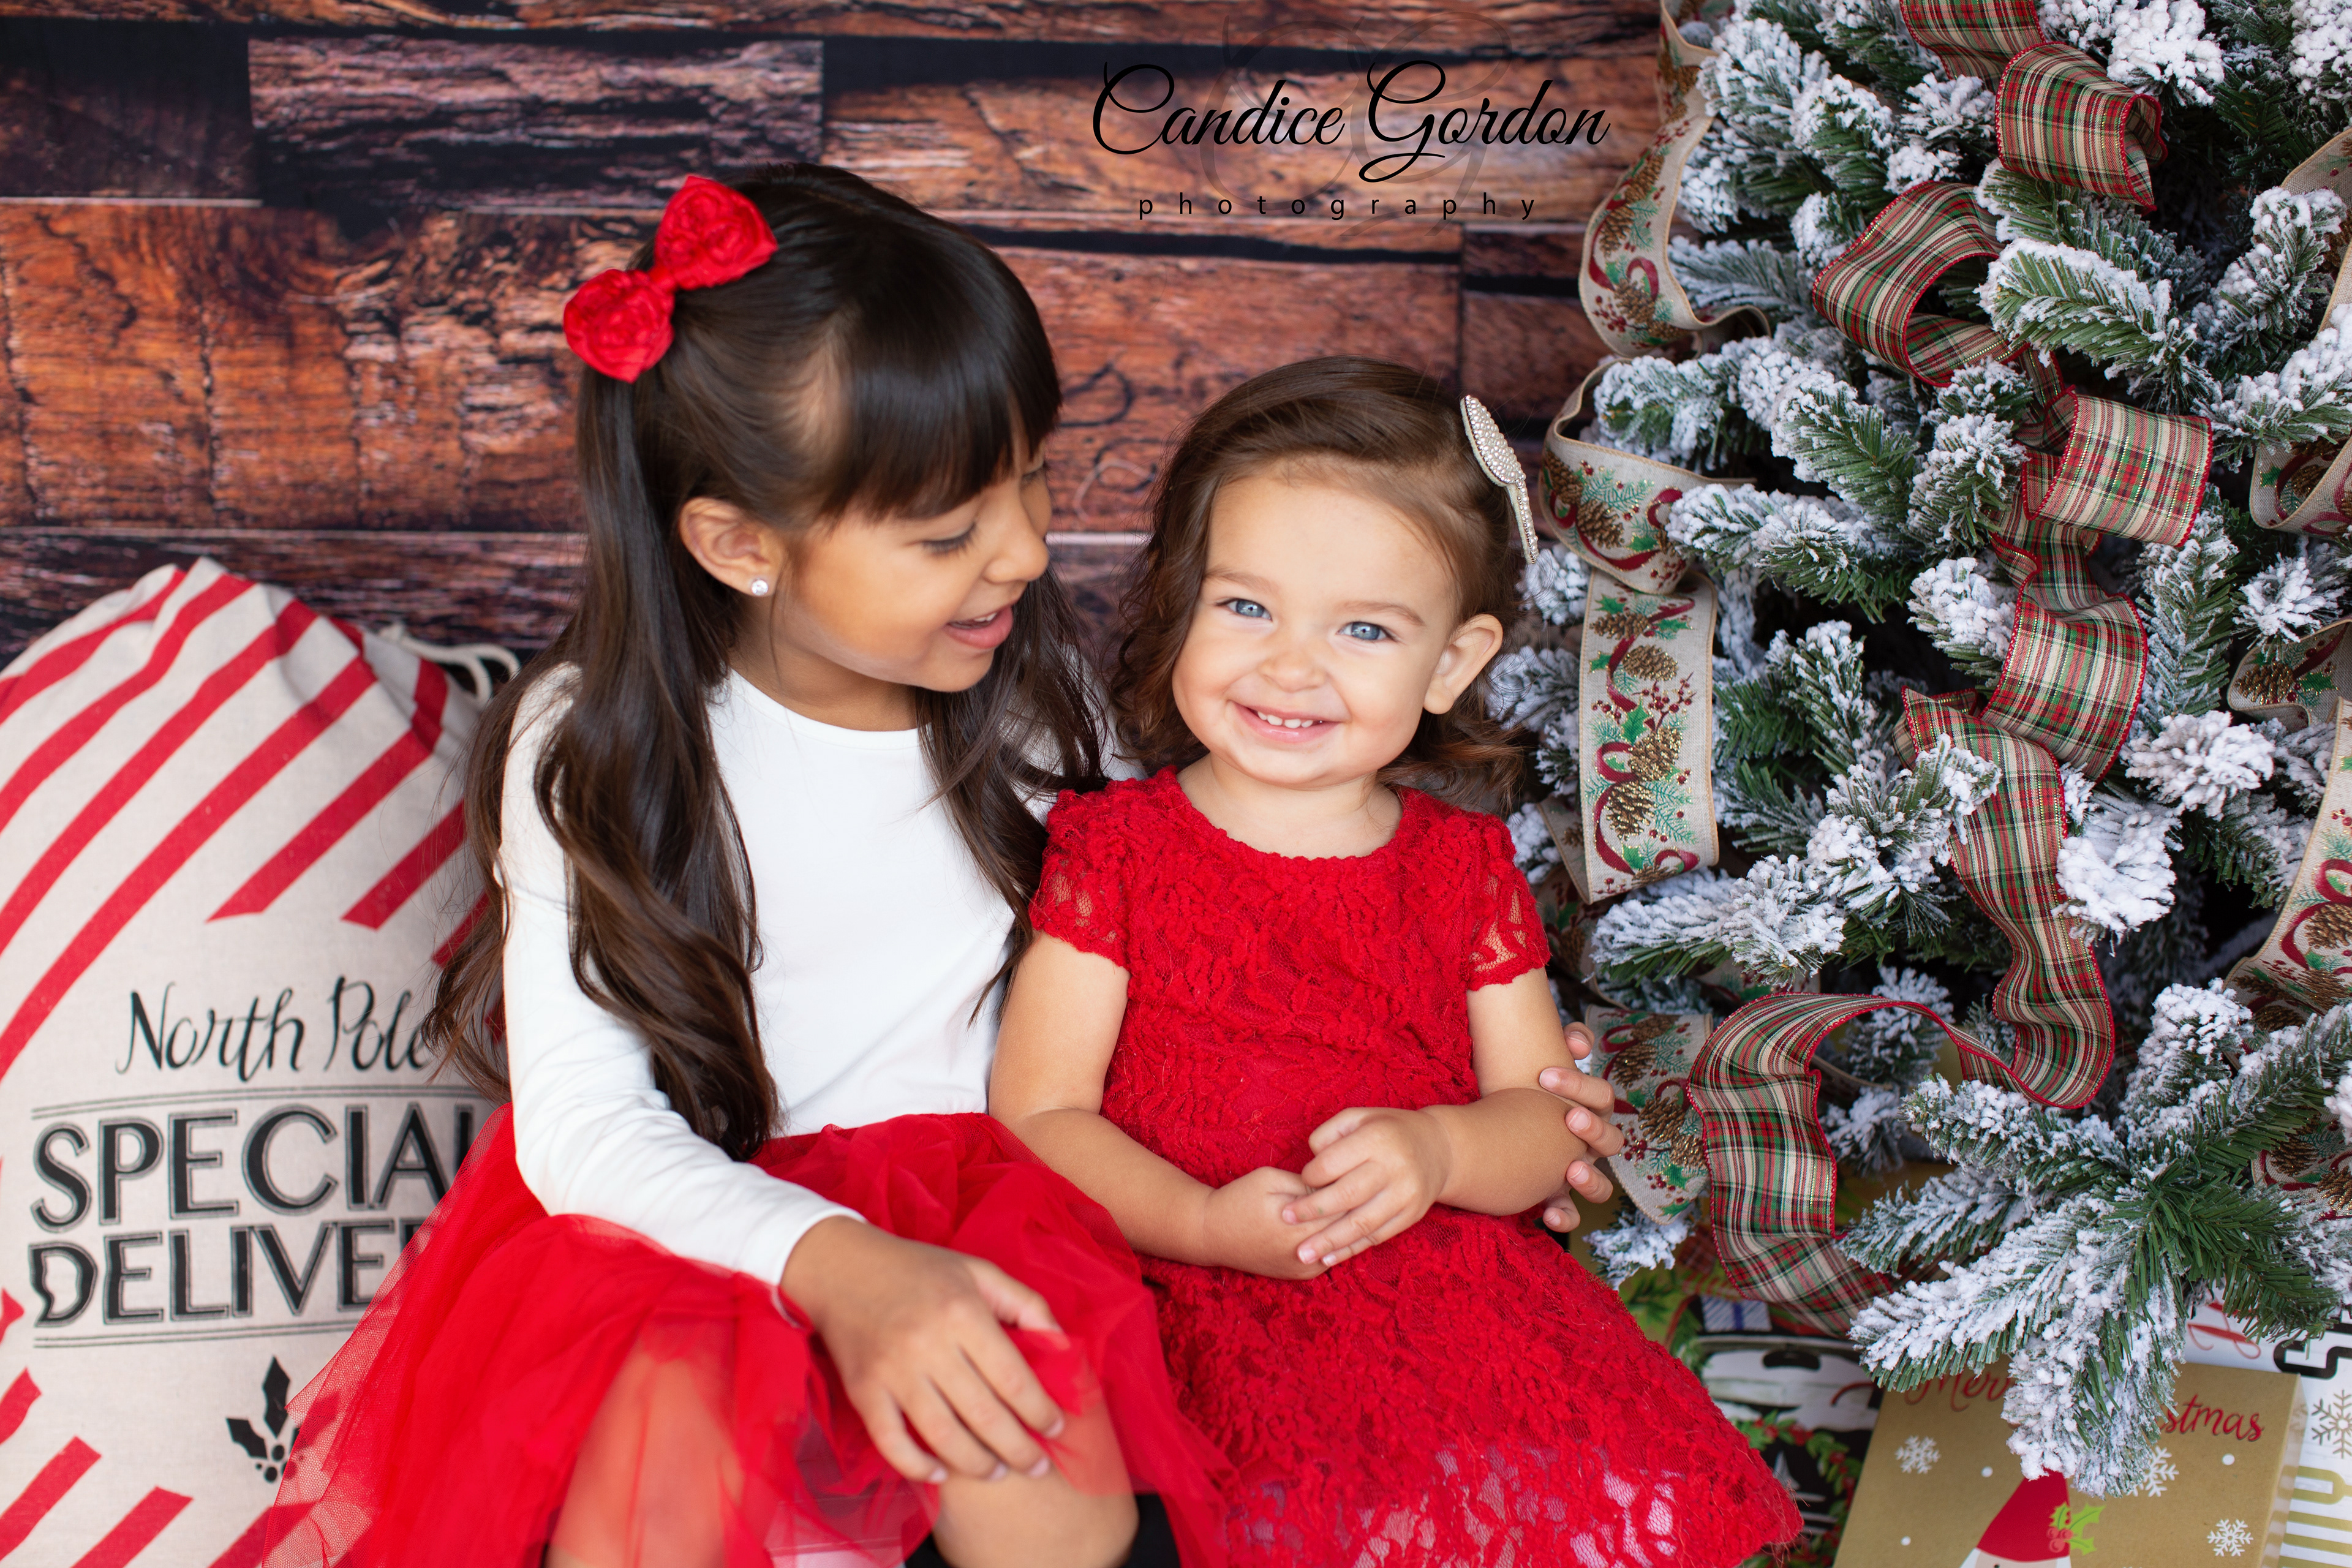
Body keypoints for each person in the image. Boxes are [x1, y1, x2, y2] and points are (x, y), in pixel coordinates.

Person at [256, 168, 1629, 1568]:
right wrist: (849, 1270)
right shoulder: (599, 741)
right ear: (740, 544)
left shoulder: (1039, 704)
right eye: (947, 531)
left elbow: (1221, 914)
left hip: (1012, 1207)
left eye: (1030, 475)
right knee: (657, 1465)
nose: (1026, 550)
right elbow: (585, 1128)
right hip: (719, 1234)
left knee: (1031, 1445)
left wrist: (1478, 1099)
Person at [991, 359, 1804, 1568]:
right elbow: (1039, 1113)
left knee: (1564, 1495)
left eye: (1364, 629)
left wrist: (1439, 1152)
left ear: (1452, 663)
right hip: (1184, 1278)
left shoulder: (1460, 868)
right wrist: (1202, 1222)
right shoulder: (1118, 849)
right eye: (1246, 607)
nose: (1291, 666)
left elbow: (1545, 1120)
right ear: (1181, 598)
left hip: (1435, 1293)